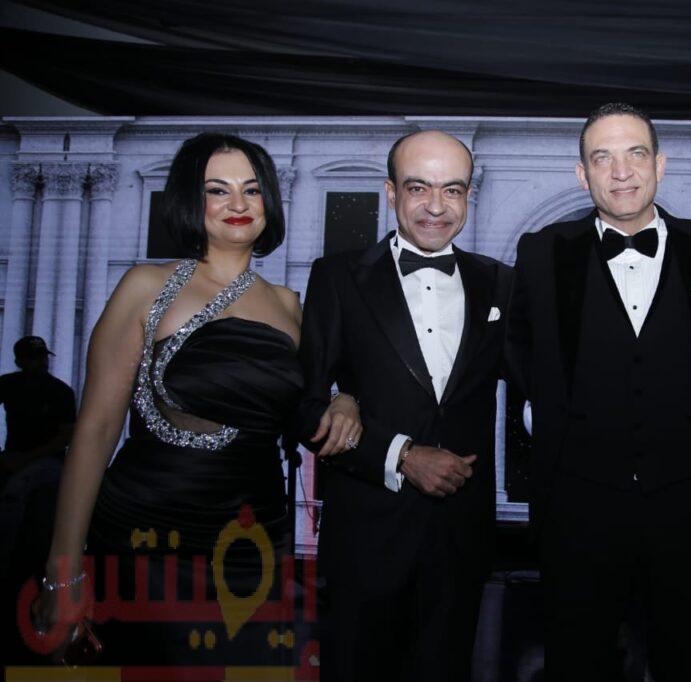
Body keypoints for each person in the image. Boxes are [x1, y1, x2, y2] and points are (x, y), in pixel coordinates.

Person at [32, 133, 358, 665]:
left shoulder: (291, 306)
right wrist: (63, 572)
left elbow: (313, 406)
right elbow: (95, 432)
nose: (238, 203)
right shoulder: (145, 285)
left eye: (252, 189)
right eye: (217, 189)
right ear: (190, 198)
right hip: (148, 539)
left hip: (253, 542)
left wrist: (346, 402)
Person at [506, 102, 691, 680]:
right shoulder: (543, 250)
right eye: (603, 158)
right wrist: (554, 417)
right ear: (582, 174)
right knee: (578, 663)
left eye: (635, 154)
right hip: (579, 509)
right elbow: (516, 349)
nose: (621, 172)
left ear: (659, 165)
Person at [298, 130, 513, 681]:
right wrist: (401, 455)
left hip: (461, 540)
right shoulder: (337, 277)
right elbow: (302, 405)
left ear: (469, 195)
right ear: (391, 192)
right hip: (366, 536)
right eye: (419, 188)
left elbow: (542, 382)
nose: (436, 206)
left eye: (453, 190)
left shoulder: (501, 283)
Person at [0, 336, 76, 578]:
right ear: (19, 361)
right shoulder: (9, 385)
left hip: (47, 461)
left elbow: (65, 437)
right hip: (20, 458)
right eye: (35, 358)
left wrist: (24, 459)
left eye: (42, 357)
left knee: (16, 491)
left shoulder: (60, 392)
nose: (41, 363)